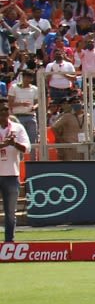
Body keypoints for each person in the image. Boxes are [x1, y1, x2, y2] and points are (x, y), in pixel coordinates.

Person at [0, 98, 29, 242]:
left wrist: (13, 143)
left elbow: (26, 148)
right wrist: (3, 145)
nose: (4, 112)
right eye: (1, 110)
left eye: (6, 109)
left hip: (11, 174)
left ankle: (9, 242)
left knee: (10, 212)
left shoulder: (17, 128)